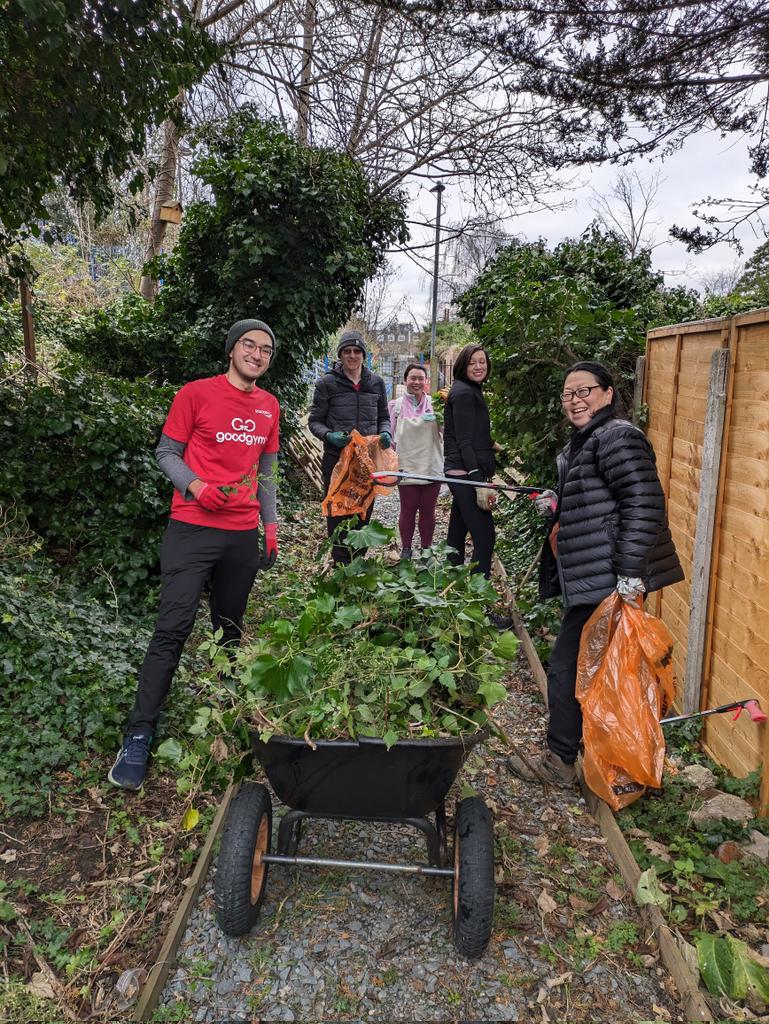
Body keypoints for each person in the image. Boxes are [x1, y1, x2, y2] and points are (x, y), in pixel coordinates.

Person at [108, 319, 280, 791]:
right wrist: (197, 486)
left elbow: (266, 472)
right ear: (232, 350)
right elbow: (166, 452)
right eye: (249, 344)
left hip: (241, 535)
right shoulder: (195, 394)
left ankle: (225, 720)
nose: (257, 354)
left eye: (266, 349)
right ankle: (139, 734)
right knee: (172, 628)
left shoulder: (269, 406)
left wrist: (270, 525)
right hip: (191, 527)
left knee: (230, 630)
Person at [507, 360, 684, 788]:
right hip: (595, 579)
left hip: (606, 582)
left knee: (567, 668)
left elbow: (644, 505)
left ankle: (562, 761)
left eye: (584, 391)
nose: (575, 400)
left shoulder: (617, 436)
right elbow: (600, 503)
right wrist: (558, 504)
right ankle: (610, 762)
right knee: (602, 674)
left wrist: (627, 574)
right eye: (568, 395)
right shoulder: (588, 441)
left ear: (607, 394)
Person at [308, 330, 390, 564]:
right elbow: (315, 421)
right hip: (337, 460)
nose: (352, 356)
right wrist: (329, 435)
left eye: (356, 351)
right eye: (347, 351)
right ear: (341, 355)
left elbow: (384, 416)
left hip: (367, 460)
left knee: (363, 509)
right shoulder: (327, 384)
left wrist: (386, 432)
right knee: (338, 509)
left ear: (363, 355)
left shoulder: (376, 383)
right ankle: (340, 563)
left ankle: (358, 562)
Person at [443, 343, 499, 579]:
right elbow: (464, 442)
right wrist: (478, 481)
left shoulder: (469, 389)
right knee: (485, 538)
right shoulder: (465, 393)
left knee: (457, 531)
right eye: (472, 362)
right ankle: (479, 602)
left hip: (462, 472)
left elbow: (469, 433)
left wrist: (492, 445)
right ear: (462, 365)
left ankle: (453, 587)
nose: (478, 366)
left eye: (482, 361)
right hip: (465, 474)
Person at [388, 363, 443, 559]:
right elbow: (391, 438)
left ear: (426, 382)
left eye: (421, 378)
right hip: (407, 466)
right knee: (408, 508)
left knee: (428, 510)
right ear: (405, 381)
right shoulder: (396, 406)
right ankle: (406, 549)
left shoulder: (436, 404)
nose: (417, 382)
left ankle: (426, 549)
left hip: (431, 465)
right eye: (413, 378)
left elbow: (445, 431)